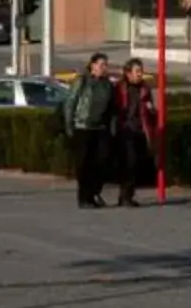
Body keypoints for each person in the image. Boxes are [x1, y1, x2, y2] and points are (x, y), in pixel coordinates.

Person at [65, 51, 117, 207]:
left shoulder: (107, 85)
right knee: (85, 165)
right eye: (100, 64)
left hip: (100, 128)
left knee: (101, 162)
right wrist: (69, 126)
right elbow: (70, 103)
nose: (103, 68)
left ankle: (95, 192)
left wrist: (111, 127)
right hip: (83, 127)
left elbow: (112, 109)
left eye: (105, 65)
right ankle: (84, 198)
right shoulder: (83, 81)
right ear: (92, 65)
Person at [113, 61, 158, 206]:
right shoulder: (120, 88)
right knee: (128, 163)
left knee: (136, 163)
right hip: (125, 130)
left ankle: (126, 195)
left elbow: (150, 110)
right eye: (137, 71)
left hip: (140, 129)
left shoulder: (144, 88)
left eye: (141, 71)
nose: (140, 74)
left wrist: (151, 109)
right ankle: (125, 196)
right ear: (128, 73)